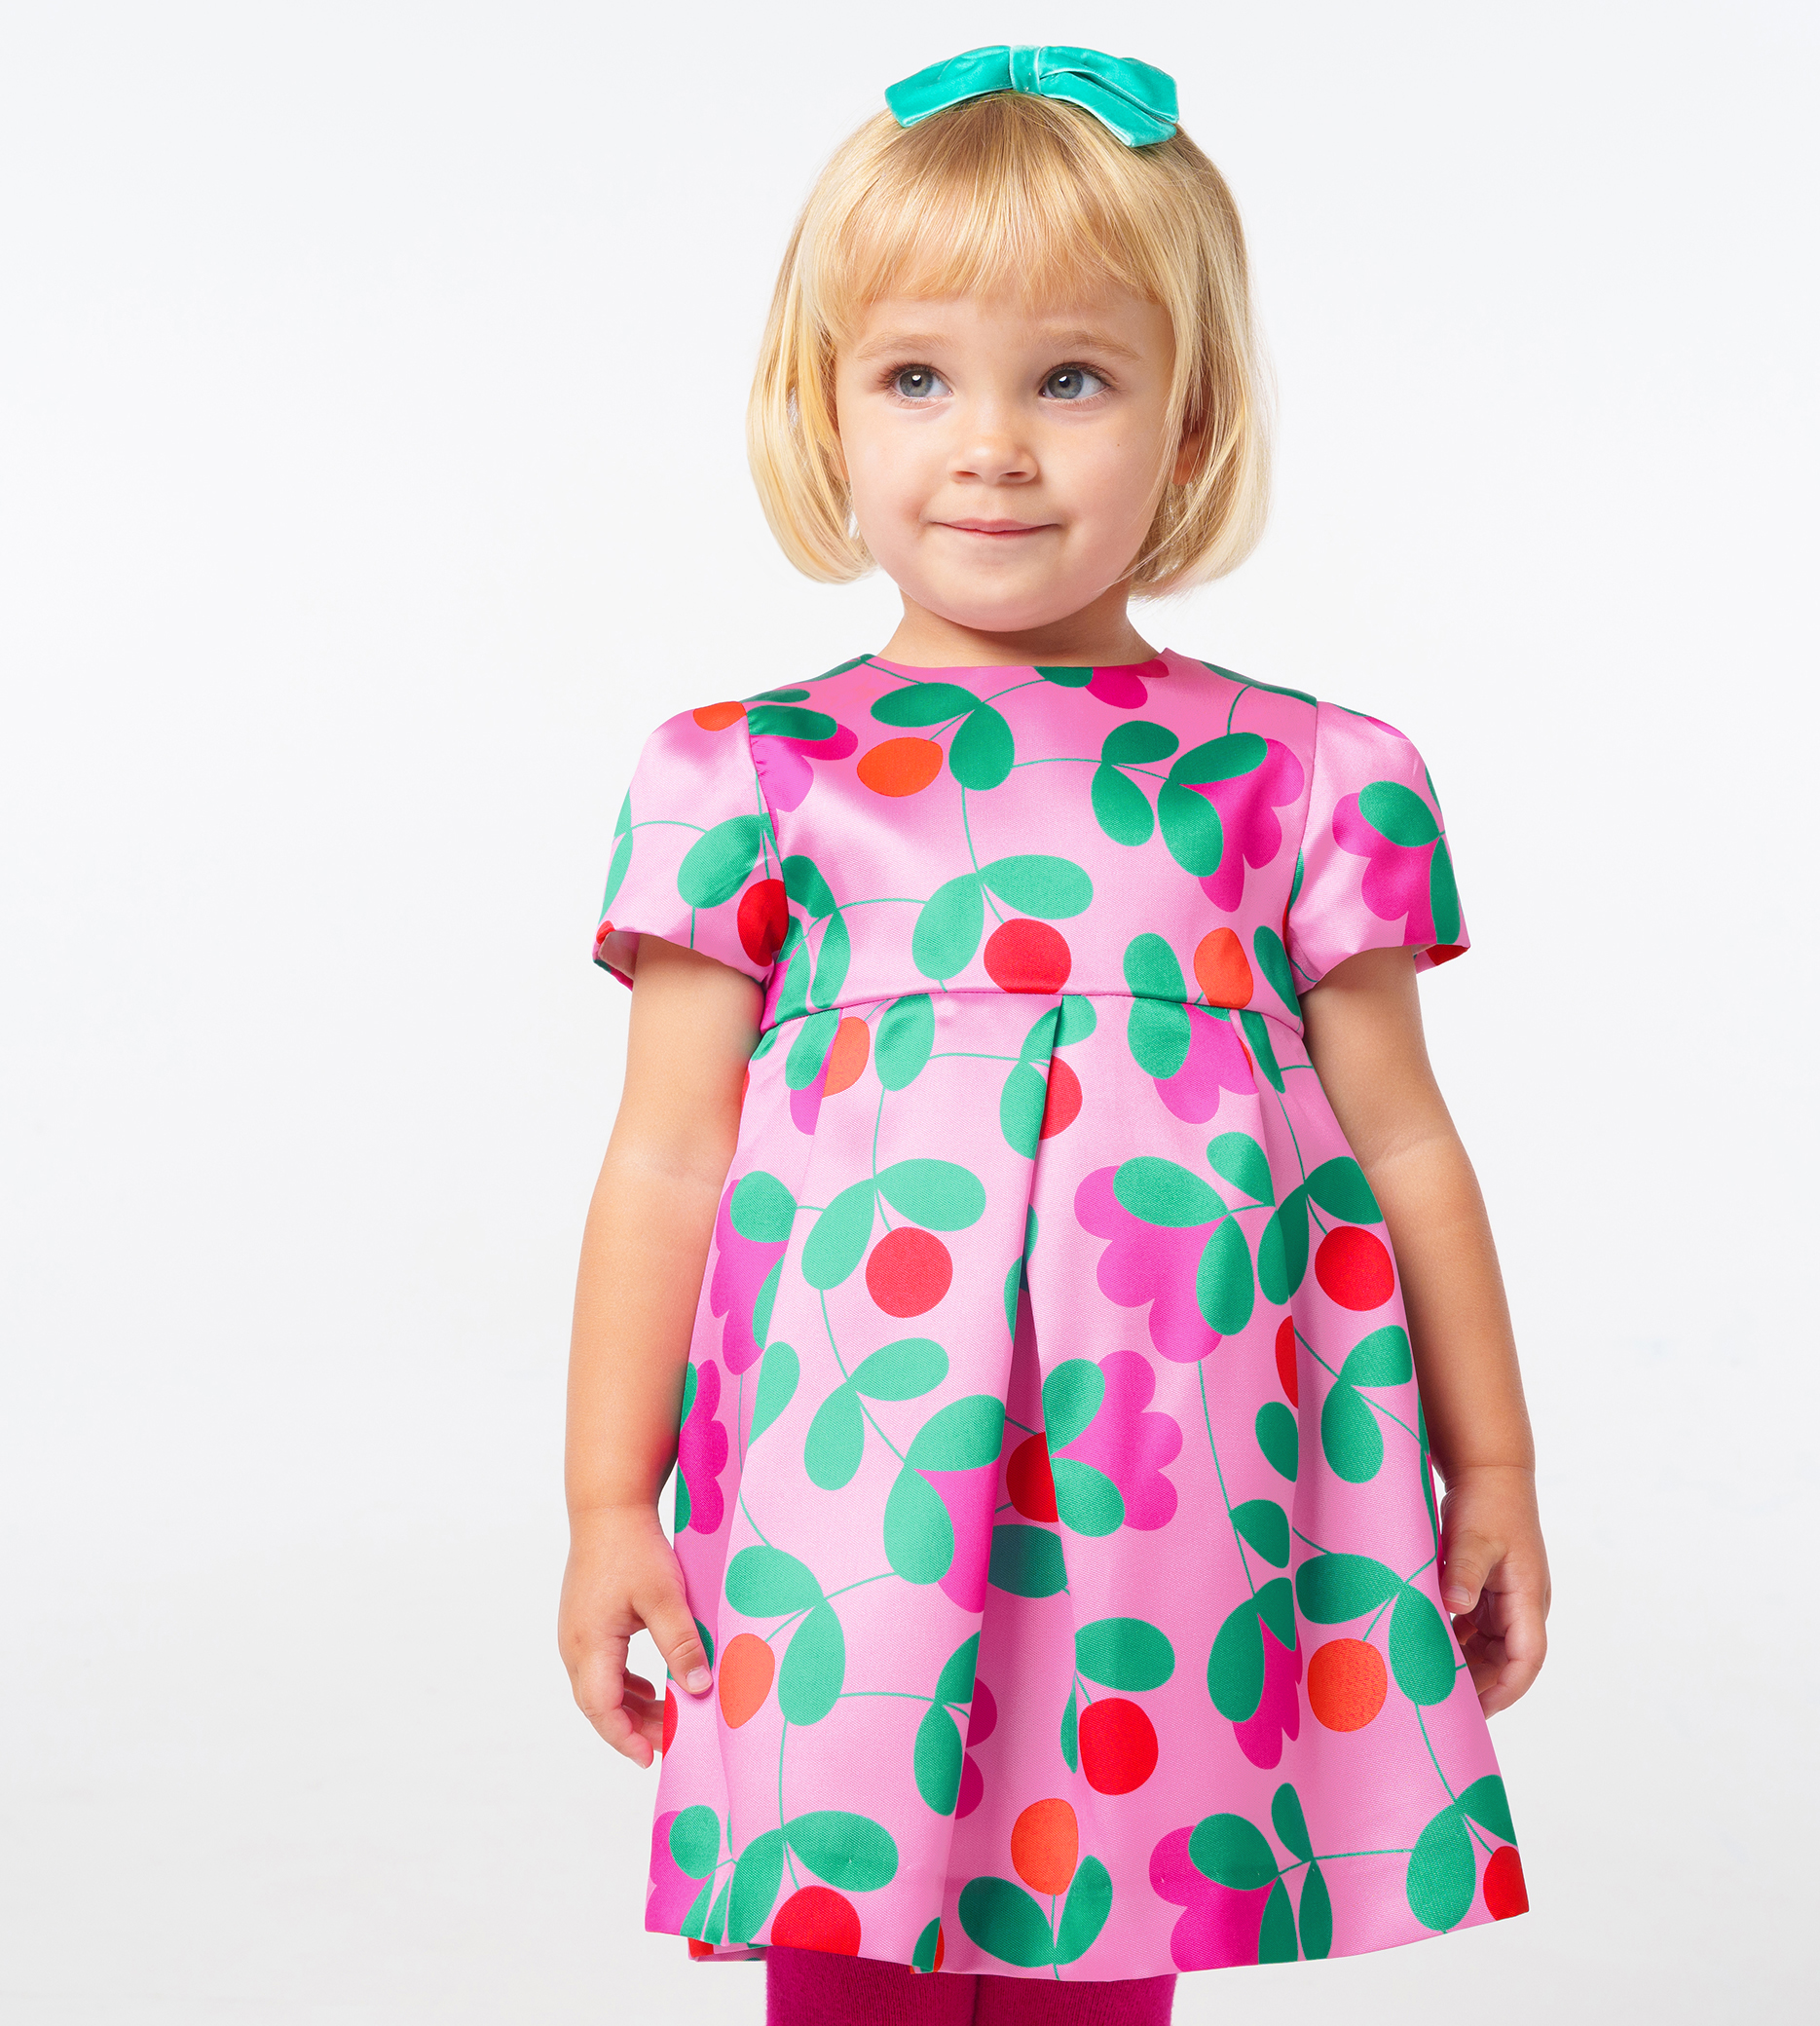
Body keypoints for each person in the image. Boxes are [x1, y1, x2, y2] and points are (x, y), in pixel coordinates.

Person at [557, 45, 1548, 2025]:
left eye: (1071, 378)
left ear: (1191, 424)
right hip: (854, 1480)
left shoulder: (1305, 774)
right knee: (848, 1922)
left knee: (1112, 1900)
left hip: (1171, 1475)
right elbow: (667, 1157)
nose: (992, 448)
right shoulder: (744, 776)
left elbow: (1402, 1141)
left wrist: (1492, 1462)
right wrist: (605, 1501)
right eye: (918, 376)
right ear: (823, 409)